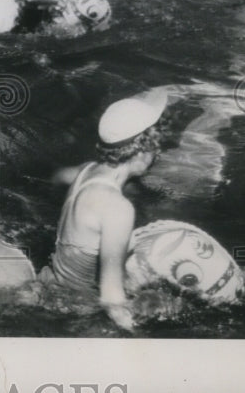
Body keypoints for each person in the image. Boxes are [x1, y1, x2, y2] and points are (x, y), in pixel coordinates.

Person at [45, 92, 169, 331]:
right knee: (165, 304)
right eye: (156, 148)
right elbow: (111, 298)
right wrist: (137, 337)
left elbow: (56, 176)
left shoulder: (85, 171)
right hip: (78, 311)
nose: (158, 154)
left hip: (52, 286)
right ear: (142, 153)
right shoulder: (118, 209)